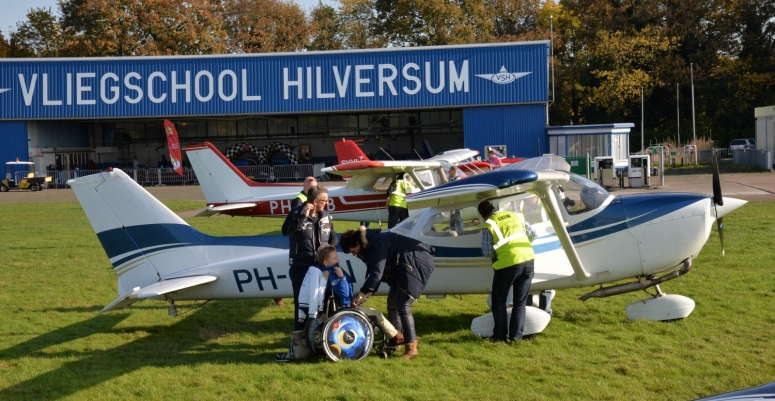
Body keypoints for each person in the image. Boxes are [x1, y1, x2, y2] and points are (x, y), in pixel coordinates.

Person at [341, 226, 435, 359]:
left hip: (413, 265)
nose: (354, 254)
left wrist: (363, 293)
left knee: (403, 306)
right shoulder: (367, 246)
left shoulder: (377, 242)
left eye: (353, 251)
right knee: (392, 303)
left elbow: (376, 273)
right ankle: (396, 339)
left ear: (356, 243)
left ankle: (411, 347)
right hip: (401, 268)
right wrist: (368, 293)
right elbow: (375, 269)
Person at [297, 245, 400, 345]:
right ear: (326, 262)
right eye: (335, 257)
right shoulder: (334, 274)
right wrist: (341, 277)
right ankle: (396, 337)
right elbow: (344, 293)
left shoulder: (323, 273)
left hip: (342, 307)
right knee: (377, 314)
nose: (338, 259)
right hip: (345, 309)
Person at [478, 200, 536, 343]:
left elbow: (486, 252)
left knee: (499, 300)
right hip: (528, 260)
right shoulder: (516, 216)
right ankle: (516, 338)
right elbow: (533, 234)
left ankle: (499, 336)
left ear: (483, 215)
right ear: (494, 208)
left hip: (507, 264)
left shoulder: (489, 224)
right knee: (520, 302)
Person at [282, 186, 337, 331]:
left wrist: (329, 248)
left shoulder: (325, 215)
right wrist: (302, 216)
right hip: (301, 267)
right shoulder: (296, 212)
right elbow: (286, 231)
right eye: (324, 201)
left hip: (321, 267)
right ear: (314, 201)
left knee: (323, 300)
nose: (326, 203)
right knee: (302, 303)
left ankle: (319, 334)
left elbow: (333, 237)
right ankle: (301, 335)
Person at [448, 167, 465, 234]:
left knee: (457, 220)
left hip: (456, 203)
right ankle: (454, 233)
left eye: (449, 171)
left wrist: (454, 206)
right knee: (453, 221)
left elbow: (455, 194)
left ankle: (461, 234)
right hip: (455, 203)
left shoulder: (456, 181)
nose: (449, 173)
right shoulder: (455, 180)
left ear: (453, 171)